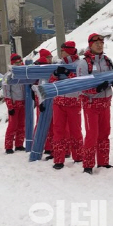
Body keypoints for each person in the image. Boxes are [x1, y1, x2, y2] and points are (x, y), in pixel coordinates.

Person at [78, 33, 113, 174]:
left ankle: (103, 162)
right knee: (92, 134)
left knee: (105, 133)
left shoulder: (107, 61)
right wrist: (95, 89)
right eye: (96, 43)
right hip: (91, 104)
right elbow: (80, 85)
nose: (100, 45)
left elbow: (112, 76)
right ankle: (88, 165)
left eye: (101, 42)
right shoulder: (84, 63)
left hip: (105, 103)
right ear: (90, 44)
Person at [50, 42, 83, 170]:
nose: (61, 53)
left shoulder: (80, 64)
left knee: (75, 130)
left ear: (68, 51)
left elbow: (81, 82)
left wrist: (68, 74)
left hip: (73, 101)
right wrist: (55, 75)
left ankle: (79, 156)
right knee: (58, 131)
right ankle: (58, 159)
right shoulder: (58, 64)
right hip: (58, 102)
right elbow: (51, 83)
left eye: (62, 50)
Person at [4, 53, 27, 154]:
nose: (19, 64)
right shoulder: (8, 76)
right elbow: (6, 92)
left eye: (20, 62)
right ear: (12, 63)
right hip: (14, 104)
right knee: (12, 125)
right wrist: (10, 106)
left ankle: (19, 144)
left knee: (22, 125)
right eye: (16, 62)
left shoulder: (24, 73)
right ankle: (8, 146)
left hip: (23, 103)